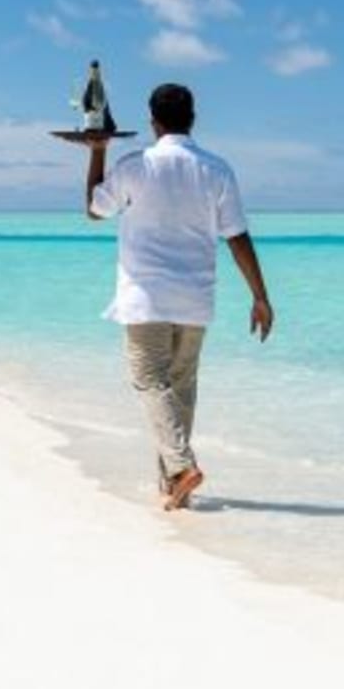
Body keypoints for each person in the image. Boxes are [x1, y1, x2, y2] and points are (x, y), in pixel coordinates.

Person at [85, 82, 274, 511]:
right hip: (195, 300)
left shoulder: (136, 166)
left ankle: (181, 466)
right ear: (192, 119)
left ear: (153, 122)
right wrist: (259, 296)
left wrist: (97, 152)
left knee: (150, 381)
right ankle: (173, 489)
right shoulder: (217, 170)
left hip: (146, 298)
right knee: (180, 391)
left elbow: (94, 210)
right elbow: (237, 237)